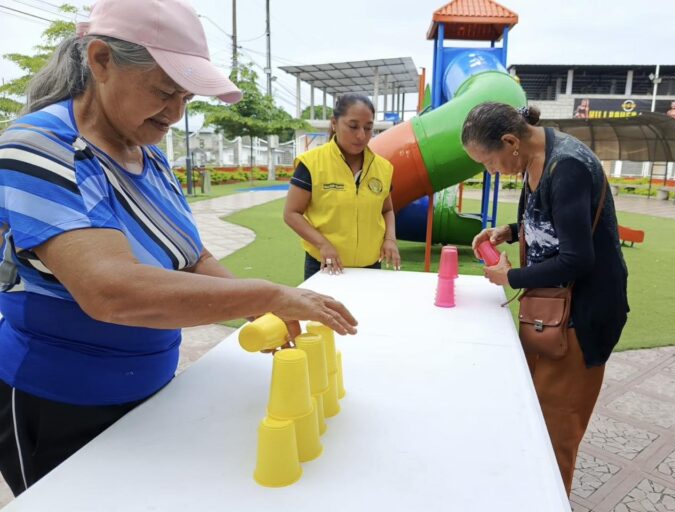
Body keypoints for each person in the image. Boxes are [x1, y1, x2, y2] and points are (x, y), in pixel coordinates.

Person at [0, 0, 357, 496]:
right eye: (165, 91)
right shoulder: (40, 146)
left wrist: (259, 312)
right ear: (101, 61)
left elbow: (190, 257)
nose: (176, 112)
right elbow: (109, 291)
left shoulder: (148, 155)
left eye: (185, 95)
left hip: (150, 385)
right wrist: (265, 296)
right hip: (61, 398)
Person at [461, 102, 629, 495]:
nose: (492, 171)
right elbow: (554, 219)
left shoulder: (566, 165)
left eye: (489, 161)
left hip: (579, 316)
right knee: (531, 412)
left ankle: (547, 499)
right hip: (549, 309)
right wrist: (508, 230)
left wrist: (510, 275)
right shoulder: (536, 156)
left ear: (509, 142)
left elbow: (577, 258)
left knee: (555, 432)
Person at [284, 93, 400, 280]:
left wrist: (390, 239)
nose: (361, 135)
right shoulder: (312, 163)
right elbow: (291, 213)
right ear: (334, 123)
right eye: (353, 126)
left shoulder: (383, 167)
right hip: (325, 265)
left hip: (370, 266)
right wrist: (322, 244)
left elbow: (387, 210)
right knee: (324, 310)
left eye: (368, 128)